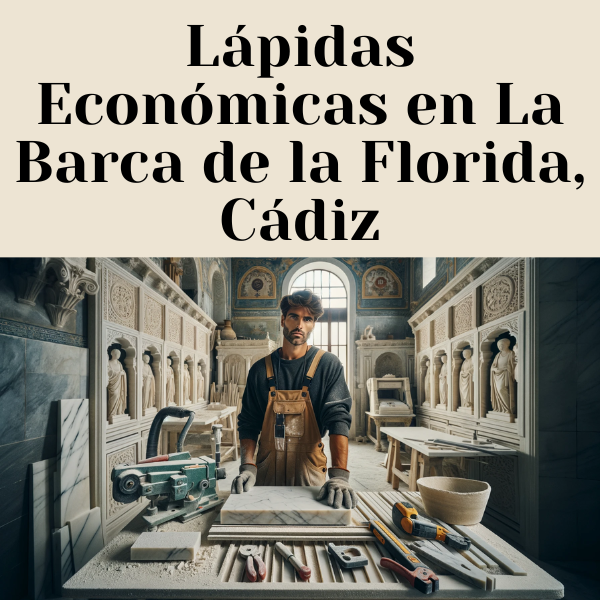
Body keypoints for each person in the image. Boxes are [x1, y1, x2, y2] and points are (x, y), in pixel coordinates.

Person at [231, 289, 356, 509]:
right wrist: (248, 467)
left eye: (307, 319)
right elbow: (248, 423)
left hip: (310, 476)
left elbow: (339, 420)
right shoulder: (260, 370)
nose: (300, 324)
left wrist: (339, 476)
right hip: (266, 473)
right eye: (293, 316)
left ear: (313, 324)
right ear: (283, 320)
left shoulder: (328, 365)